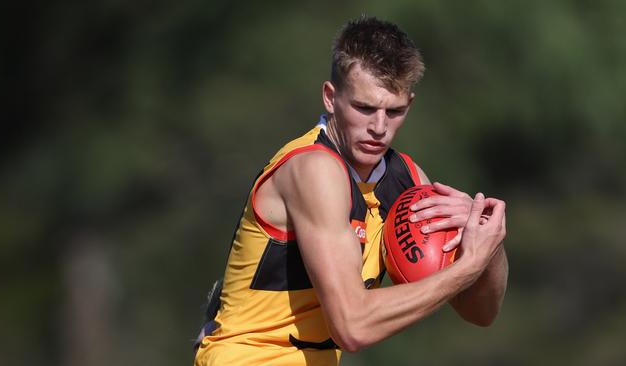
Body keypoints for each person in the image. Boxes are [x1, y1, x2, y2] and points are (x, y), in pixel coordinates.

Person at [194, 16, 508, 366]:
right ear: (330, 97)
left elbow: (481, 313)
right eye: (364, 108)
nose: (379, 127)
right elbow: (353, 326)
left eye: (395, 112)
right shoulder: (313, 169)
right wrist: (467, 268)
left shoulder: (406, 181)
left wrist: (486, 244)